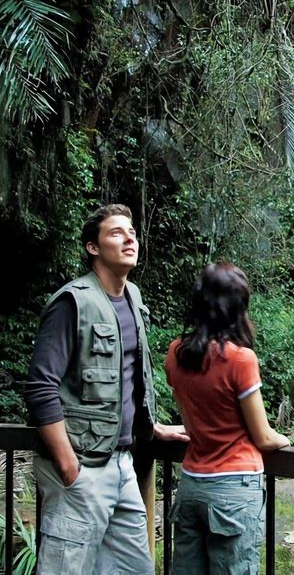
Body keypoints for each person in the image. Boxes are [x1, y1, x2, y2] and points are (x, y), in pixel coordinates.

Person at [24, 203, 189, 575]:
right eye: (116, 232)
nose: (129, 237)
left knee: (136, 569)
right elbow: (40, 387)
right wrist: (70, 469)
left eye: (131, 231)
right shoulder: (73, 302)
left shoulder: (134, 298)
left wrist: (150, 425)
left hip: (124, 464)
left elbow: (129, 377)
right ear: (92, 248)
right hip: (82, 467)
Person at [165, 262, 290, 575]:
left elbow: (191, 426)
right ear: (238, 307)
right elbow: (263, 437)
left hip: (192, 484)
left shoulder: (176, 353)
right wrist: (285, 439)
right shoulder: (240, 359)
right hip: (233, 489)